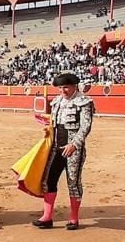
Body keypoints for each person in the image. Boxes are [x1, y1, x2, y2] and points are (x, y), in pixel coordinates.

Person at [32, 73, 95, 231]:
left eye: (66, 87)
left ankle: (74, 218)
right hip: (56, 147)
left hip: (73, 149)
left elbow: (85, 126)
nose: (62, 90)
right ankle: (47, 217)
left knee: (73, 182)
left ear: (74, 86)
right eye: (60, 87)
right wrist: (48, 130)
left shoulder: (84, 102)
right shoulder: (57, 102)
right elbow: (55, 124)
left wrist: (74, 144)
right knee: (48, 181)